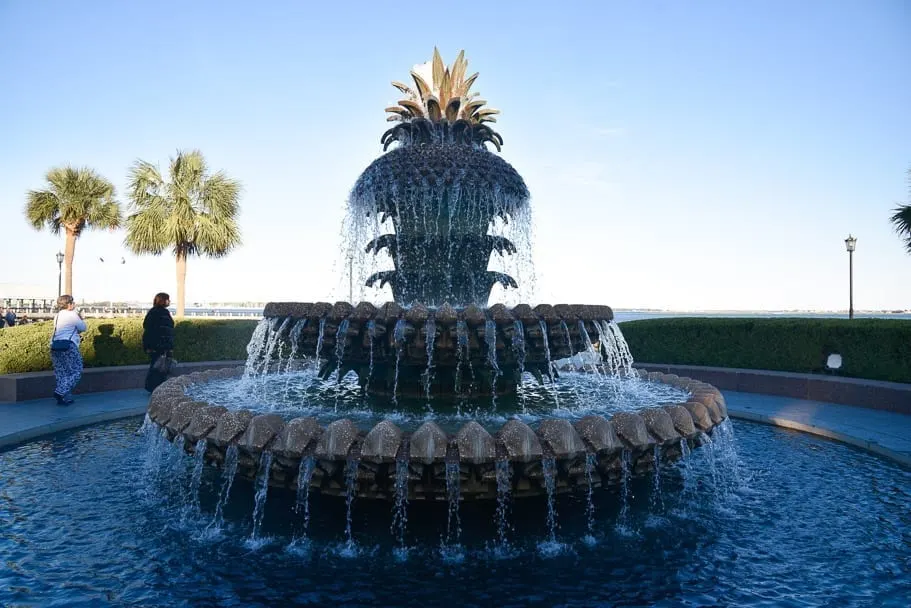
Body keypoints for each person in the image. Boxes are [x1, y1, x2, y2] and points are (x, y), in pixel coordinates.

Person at [50, 295, 87, 405]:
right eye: (73, 302)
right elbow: (83, 328)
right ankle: (60, 392)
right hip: (68, 345)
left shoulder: (58, 315)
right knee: (77, 370)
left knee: (61, 372)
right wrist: (80, 318)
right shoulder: (72, 314)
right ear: (69, 304)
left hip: (55, 345)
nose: (74, 304)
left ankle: (64, 397)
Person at [142, 292, 175, 392]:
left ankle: (155, 388)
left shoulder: (156, 312)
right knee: (158, 368)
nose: (169, 301)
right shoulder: (159, 312)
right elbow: (151, 330)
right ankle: (154, 388)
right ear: (162, 300)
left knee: (159, 367)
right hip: (159, 346)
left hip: (160, 346)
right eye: (167, 299)